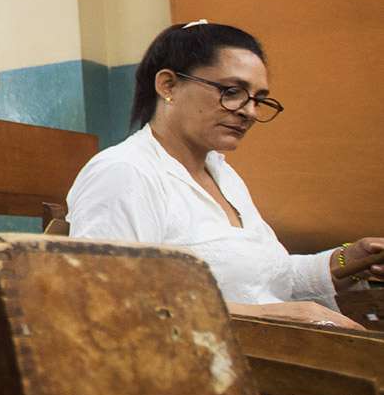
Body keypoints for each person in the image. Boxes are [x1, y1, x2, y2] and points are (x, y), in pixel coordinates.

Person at [67, 21, 382, 329]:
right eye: (232, 91)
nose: (250, 112)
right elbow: (111, 302)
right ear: (168, 85)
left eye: (258, 99)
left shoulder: (221, 173)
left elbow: (270, 276)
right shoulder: (125, 172)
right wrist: (271, 316)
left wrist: (347, 260)